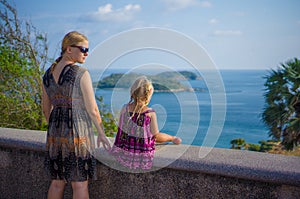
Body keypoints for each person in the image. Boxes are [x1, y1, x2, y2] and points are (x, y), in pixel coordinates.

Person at [42, 31, 111, 199]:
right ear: (68, 49)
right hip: (78, 132)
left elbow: (45, 109)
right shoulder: (81, 73)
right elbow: (93, 109)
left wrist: (56, 129)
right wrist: (101, 133)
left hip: (55, 133)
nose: (86, 53)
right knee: (79, 184)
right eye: (83, 49)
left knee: (57, 182)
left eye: (87, 49)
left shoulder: (47, 75)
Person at [111, 76, 181, 171]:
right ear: (147, 96)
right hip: (141, 157)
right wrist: (172, 138)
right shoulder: (150, 113)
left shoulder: (124, 108)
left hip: (122, 152)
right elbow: (156, 136)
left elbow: (120, 131)